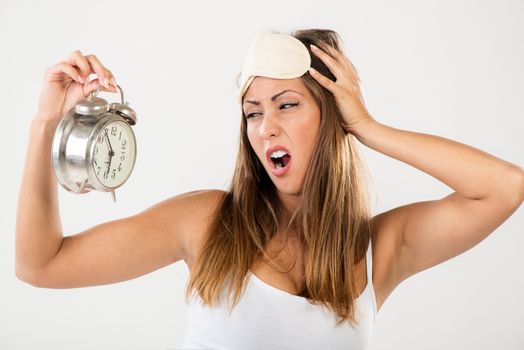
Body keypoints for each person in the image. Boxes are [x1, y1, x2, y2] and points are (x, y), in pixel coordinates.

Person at [15, 29, 524, 350]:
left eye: (286, 105)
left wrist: (366, 126)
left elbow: (504, 187)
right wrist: (45, 123)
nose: (265, 128)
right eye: (253, 112)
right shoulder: (207, 222)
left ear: (330, 118)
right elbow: (41, 265)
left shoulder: (376, 250)